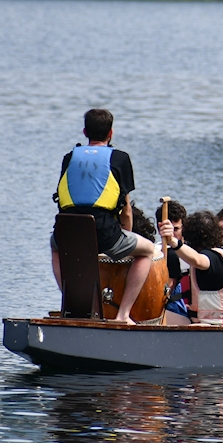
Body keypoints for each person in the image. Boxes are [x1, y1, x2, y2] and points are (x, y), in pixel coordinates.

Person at [51, 109, 155, 324]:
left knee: (55, 246)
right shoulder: (120, 158)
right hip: (104, 232)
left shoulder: (69, 158)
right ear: (111, 133)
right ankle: (123, 314)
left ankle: (71, 306)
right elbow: (126, 209)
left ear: (85, 131)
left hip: (68, 229)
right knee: (147, 251)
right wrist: (126, 233)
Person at [159, 211, 223, 325]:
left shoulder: (209, 259)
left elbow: (197, 260)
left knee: (156, 315)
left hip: (217, 326)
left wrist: (172, 241)